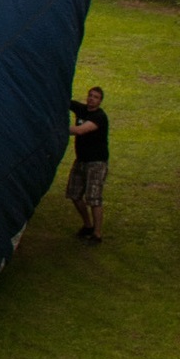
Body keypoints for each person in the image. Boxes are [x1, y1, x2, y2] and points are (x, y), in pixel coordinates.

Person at [67, 85, 110, 243]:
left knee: (94, 198)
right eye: (90, 95)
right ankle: (87, 225)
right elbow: (67, 102)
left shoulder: (99, 117)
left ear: (100, 101)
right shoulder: (82, 110)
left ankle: (97, 234)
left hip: (96, 163)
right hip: (81, 160)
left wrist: (58, 128)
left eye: (96, 97)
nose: (92, 99)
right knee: (74, 194)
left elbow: (80, 130)